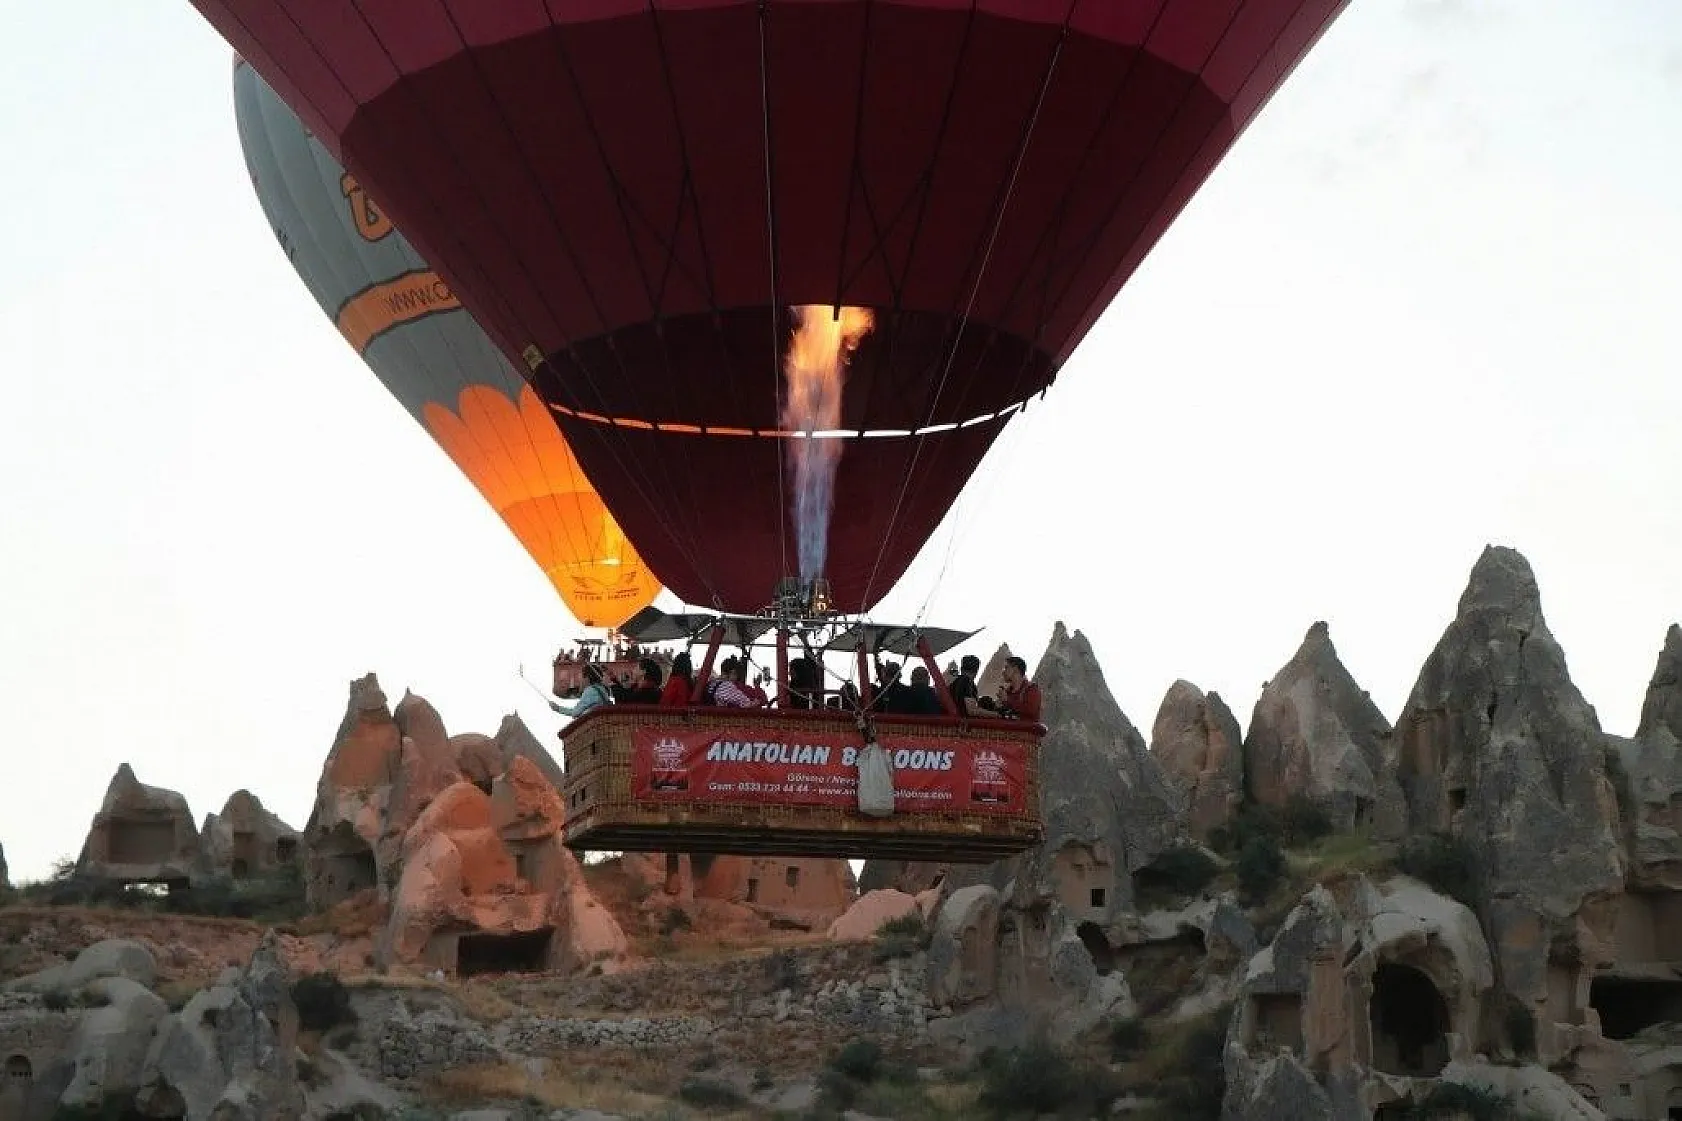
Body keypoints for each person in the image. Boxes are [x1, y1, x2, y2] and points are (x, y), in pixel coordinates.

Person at [996, 655, 1043, 722]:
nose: (1003, 672)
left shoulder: (1031, 689)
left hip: (1025, 731)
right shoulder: (1008, 691)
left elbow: (1031, 710)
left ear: (1015, 669)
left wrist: (1007, 700)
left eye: (1006, 668)